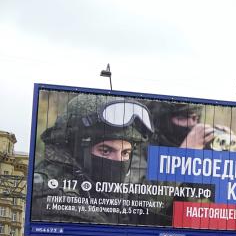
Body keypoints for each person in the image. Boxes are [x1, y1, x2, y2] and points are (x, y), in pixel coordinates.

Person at [34, 94, 152, 224]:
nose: (119, 161)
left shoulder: (106, 189)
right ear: (77, 149)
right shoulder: (49, 194)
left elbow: (150, 208)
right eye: (106, 151)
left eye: (125, 153)